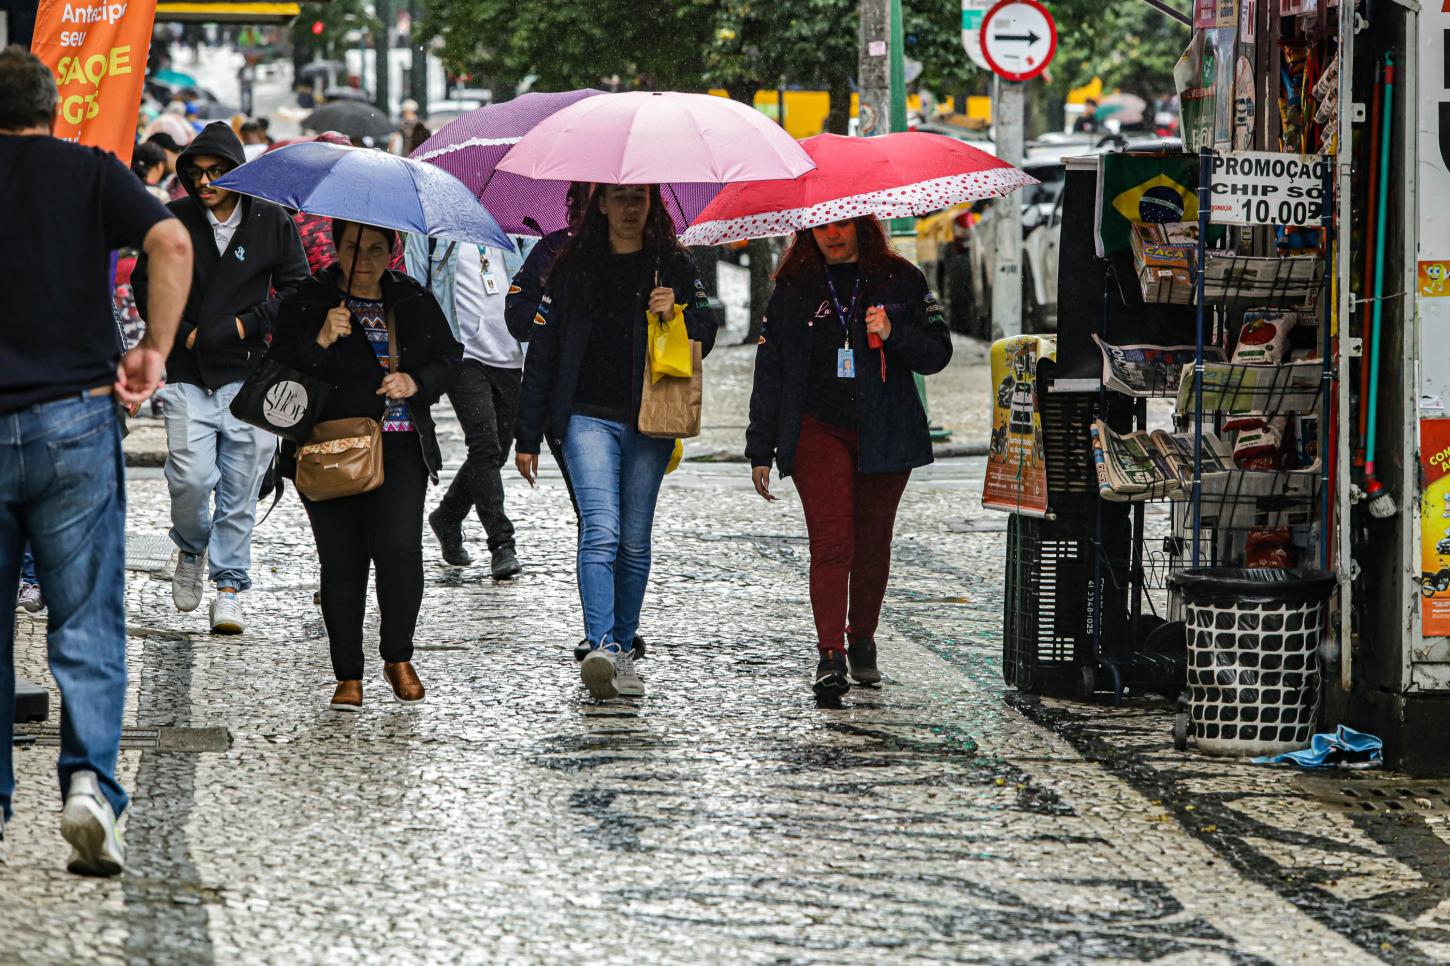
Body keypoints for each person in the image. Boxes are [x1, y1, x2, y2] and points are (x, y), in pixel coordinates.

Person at [0, 44, 192, 874]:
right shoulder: (89, 170)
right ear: (53, 109)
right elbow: (173, 244)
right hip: (74, 418)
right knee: (85, 618)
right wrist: (153, 349)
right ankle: (88, 787)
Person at [514, 183, 715, 700]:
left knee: (634, 537)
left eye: (640, 197)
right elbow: (542, 351)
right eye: (619, 197)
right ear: (600, 202)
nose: (630, 207)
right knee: (600, 530)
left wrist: (678, 314)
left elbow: (707, 332)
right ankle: (600, 643)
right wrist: (528, 434)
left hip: (651, 418)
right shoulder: (573, 264)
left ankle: (624, 647)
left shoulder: (671, 263)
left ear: (653, 204)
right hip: (586, 418)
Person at [745, 216, 952, 701]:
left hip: (885, 430)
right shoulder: (795, 285)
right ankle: (830, 655)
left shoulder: (901, 278)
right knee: (833, 541)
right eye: (821, 228)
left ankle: (862, 639)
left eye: (841, 226)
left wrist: (894, 329)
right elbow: (770, 366)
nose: (832, 236)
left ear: (862, 226)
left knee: (873, 543)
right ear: (807, 233)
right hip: (817, 429)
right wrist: (760, 445)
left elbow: (937, 353)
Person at [266, 221, 461, 711]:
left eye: (376, 248)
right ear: (337, 248)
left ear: (391, 250)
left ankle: (398, 655)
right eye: (353, 247)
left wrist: (415, 383)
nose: (365, 258)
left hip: (398, 449)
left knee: (399, 551)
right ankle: (347, 674)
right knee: (342, 562)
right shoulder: (309, 300)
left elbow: (449, 357)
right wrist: (322, 340)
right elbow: (276, 379)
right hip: (326, 450)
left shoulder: (410, 298)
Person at [132, 120, 310, 635]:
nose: (206, 182)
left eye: (217, 172)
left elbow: (296, 288)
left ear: (238, 173)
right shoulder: (175, 219)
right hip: (188, 370)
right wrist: (184, 334)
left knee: (241, 485)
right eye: (197, 173)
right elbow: (147, 284)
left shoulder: (272, 221)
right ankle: (190, 546)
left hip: (250, 372)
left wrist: (245, 324)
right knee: (189, 477)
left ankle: (230, 586)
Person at [404, 234, 525, 578]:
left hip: (512, 354)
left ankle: (448, 516)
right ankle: (502, 544)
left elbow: (536, 275)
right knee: (484, 445)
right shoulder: (433, 226)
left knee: (495, 453)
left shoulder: (513, 218)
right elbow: (416, 286)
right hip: (461, 354)